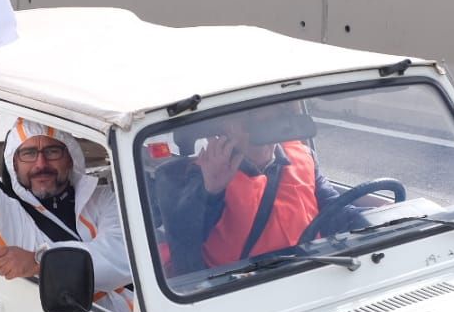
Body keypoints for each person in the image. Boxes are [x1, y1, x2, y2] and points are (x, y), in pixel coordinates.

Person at [0, 52, 133, 312]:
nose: (40, 164)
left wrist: (38, 262)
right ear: (13, 166)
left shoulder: (102, 198)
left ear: (70, 159)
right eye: (28, 154)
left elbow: (123, 256)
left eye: (52, 152)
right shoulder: (7, 218)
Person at [161, 106, 392, 274]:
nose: (265, 133)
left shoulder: (301, 156)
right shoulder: (198, 172)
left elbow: (333, 210)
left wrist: (383, 225)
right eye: (253, 123)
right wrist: (211, 191)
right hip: (239, 289)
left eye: (275, 121)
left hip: (312, 270)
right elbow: (183, 239)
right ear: (228, 127)